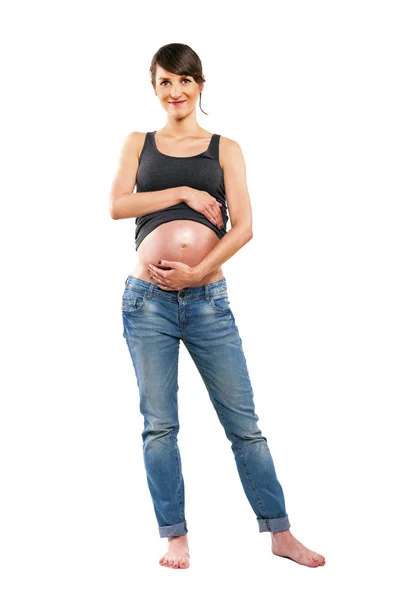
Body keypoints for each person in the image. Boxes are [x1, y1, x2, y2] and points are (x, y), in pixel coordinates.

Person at [109, 42, 325, 570]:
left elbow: (245, 227)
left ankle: (280, 532)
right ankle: (175, 538)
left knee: (244, 425)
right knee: (159, 426)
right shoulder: (139, 142)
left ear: (200, 85)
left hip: (208, 301)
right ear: (154, 88)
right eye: (164, 82)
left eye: (184, 81)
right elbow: (117, 205)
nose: (175, 91)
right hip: (147, 304)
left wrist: (202, 270)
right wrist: (180, 190)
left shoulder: (225, 148)